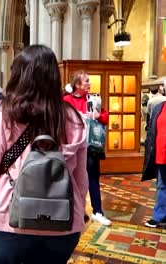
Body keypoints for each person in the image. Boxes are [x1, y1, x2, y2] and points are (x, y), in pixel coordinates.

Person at [0, 45, 87, 263]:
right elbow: (79, 176)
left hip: (7, 217)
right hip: (62, 218)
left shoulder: (1, 113)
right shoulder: (73, 117)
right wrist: (79, 211)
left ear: (18, 75)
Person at [63, 70, 111, 226]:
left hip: (91, 146)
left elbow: (105, 117)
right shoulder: (66, 100)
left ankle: (98, 211)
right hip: (72, 146)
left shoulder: (93, 99)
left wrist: (98, 116)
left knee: (93, 177)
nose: (90, 83)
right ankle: (76, 210)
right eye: (86, 81)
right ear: (77, 84)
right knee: (72, 178)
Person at [142, 100, 166, 228]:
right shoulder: (159, 107)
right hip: (161, 154)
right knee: (162, 185)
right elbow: (152, 130)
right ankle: (159, 216)